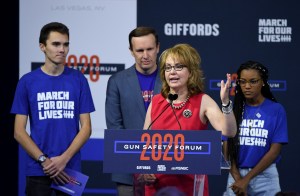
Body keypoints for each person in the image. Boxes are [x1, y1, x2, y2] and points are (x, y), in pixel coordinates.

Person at [140, 43, 237, 196]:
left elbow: (229, 131)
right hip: (156, 186)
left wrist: (225, 102)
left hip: (191, 186)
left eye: (179, 67)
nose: (172, 72)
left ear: (191, 72)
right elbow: (144, 143)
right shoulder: (156, 102)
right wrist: (144, 169)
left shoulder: (202, 101)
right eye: (168, 67)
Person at [10, 22, 95, 195]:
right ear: (42, 46)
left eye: (65, 44)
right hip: (38, 168)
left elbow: (86, 128)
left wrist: (64, 159)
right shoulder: (27, 82)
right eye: (56, 44)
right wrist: (44, 160)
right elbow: (18, 131)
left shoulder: (78, 80)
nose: (62, 49)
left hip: (70, 167)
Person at [105, 26, 162, 196]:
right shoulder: (116, 81)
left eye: (150, 49)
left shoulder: (171, 80)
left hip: (165, 170)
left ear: (158, 47)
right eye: (139, 50)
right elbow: (115, 129)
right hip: (128, 174)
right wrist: (141, 166)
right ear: (131, 51)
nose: (145, 55)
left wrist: (155, 166)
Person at [223, 60, 288, 196]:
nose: (247, 86)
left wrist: (246, 180)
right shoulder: (232, 111)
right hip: (235, 175)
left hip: (266, 177)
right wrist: (238, 179)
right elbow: (226, 148)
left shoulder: (276, 109)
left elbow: (275, 151)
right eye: (242, 81)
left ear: (263, 82)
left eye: (253, 81)